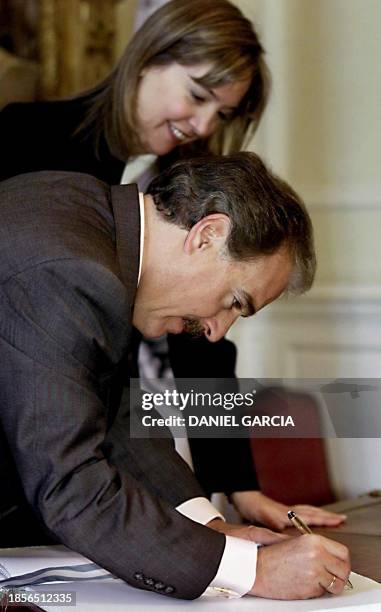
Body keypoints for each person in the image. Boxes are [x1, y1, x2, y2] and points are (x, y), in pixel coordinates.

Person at [0, 0, 344, 530]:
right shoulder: (31, 139)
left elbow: (204, 345)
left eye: (222, 114)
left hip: (139, 427)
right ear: (148, 58)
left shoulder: (193, 184)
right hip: (47, 428)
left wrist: (240, 485)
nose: (204, 123)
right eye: (198, 95)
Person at [0, 152, 351, 600]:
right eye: (234, 301)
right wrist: (254, 570)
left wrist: (215, 529)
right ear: (208, 235)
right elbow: (71, 485)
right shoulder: (73, 271)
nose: (216, 331)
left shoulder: (97, 230)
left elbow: (114, 420)